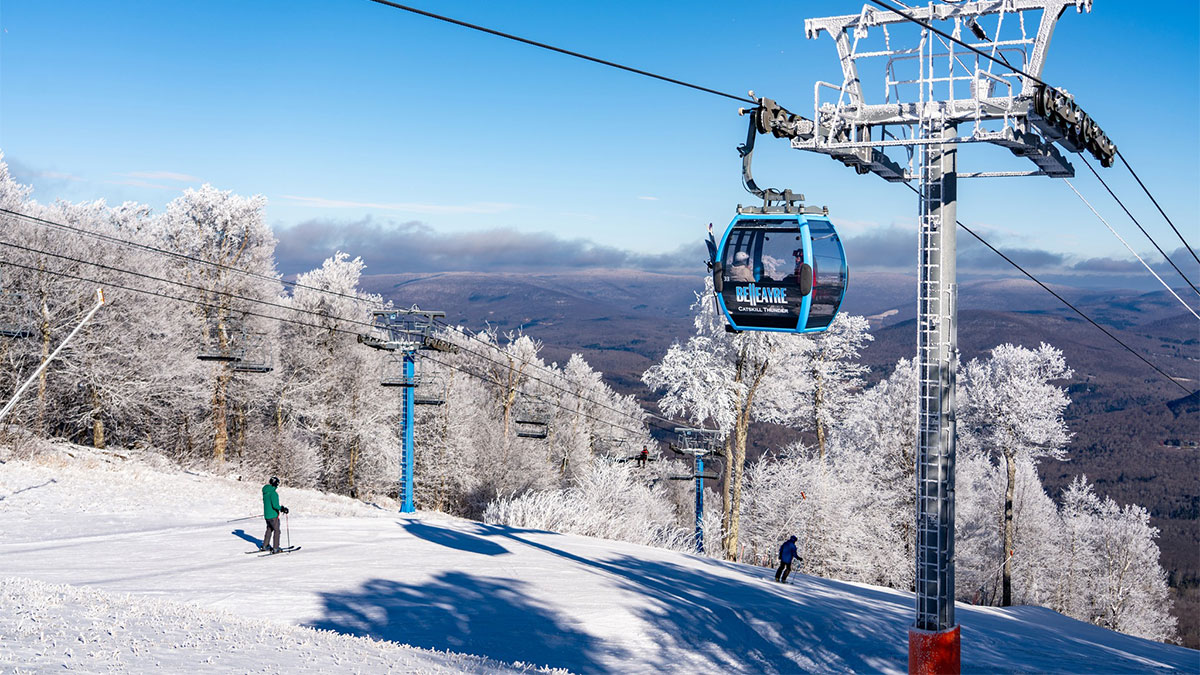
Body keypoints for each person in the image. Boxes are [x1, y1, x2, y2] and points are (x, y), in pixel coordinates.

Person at [261, 476, 289, 553]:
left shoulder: (265, 492)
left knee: (269, 529)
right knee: (277, 531)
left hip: (267, 515)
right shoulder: (273, 493)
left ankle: (265, 545)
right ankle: (276, 548)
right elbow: (275, 505)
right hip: (273, 515)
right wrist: (283, 509)